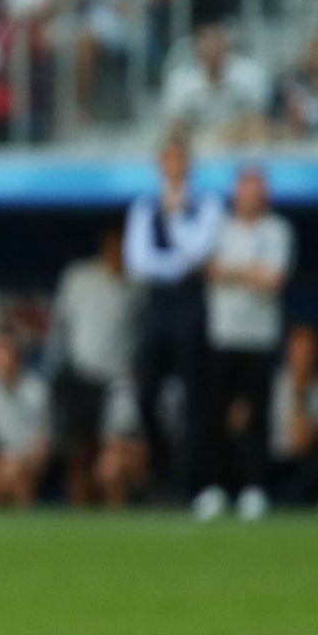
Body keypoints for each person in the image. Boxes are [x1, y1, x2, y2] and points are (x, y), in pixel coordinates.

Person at [123, 133, 226, 506]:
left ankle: (194, 485)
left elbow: (199, 252)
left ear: (189, 164)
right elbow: (138, 262)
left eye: (179, 159)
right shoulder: (144, 206)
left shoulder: (205, 203)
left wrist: (177, 217)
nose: (174, 167)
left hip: (191, 305)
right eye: (167, 159)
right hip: (158, 306)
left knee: (196, 399)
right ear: (159, 165)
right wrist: (177, 264)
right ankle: (162, 474)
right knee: (147, 393)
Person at [198, 165, 291, 521]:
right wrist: (250, 270)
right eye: (245, 188)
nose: (250, 195)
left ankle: (254, 489)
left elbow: (274, 279)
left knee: (257, 419)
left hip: (261, 337)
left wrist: (234, 271)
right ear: (236, 193)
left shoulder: (277, 230)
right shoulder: (220, 225)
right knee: (216, 417)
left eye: (257, 189)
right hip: (223, 335)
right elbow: (210, 270)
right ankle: (215, 488)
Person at [46, 226, 139, 507]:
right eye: (114, 245)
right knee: (79, 453)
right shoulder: (78, 276)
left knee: (114, 451)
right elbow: (59, 327)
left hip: (118, 381)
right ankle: (79, 516)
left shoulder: (138, 283)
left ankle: (115, 517)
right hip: (81, 377)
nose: (118, 252)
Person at [0, 334, 51, 507]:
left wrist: (20, 458)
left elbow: (44, 441)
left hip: (32, 458)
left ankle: (26, 525)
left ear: (16, 357)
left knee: (14, 471)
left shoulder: (37, 389)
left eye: (3, 354)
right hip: (1, 459)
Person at [268, 322, 318, 505]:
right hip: (263, 461)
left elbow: (301, 445)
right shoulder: (270, 384)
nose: (303, 356)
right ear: (288, 352)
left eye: (308, 351)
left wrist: (299, 393)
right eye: (298, 349)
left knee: (317, 463)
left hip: (294, 465)